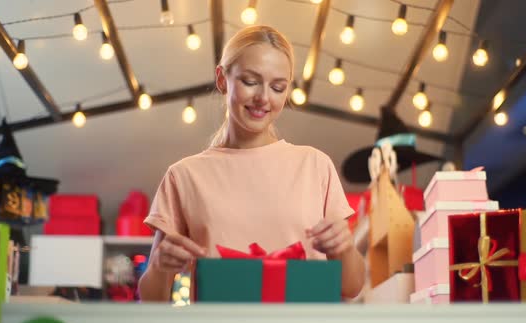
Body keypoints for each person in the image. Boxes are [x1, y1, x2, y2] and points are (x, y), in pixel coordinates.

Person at [137, 25, 365, 302]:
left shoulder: (315, 166)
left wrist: (344, 249)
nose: (263, 98)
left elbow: (351, 287)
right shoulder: (184, 176)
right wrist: (161, 266)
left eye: (278, 87)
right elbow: (151, 300)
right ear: (222, 79)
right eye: (250, 81)